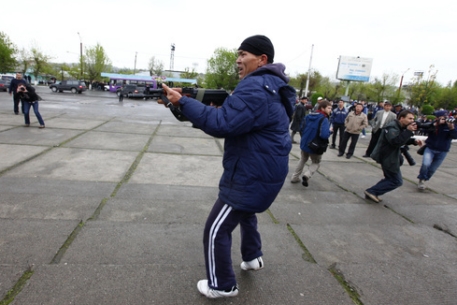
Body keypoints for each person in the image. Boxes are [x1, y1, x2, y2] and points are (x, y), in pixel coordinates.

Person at [160, 35, 295, 299]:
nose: (238, 60)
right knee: (246, 212)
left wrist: (182, 102)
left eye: (244, 54)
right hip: (266, 172)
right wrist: (184, 107)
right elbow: (234, 121)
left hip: (249, 174)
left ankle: (222, 285)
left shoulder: (255, 88)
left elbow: (221, 124)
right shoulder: (271, 86)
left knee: (215, 230)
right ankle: (253, 257)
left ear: (262, 59)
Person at [364, 110, 423, 203]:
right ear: (402, 118)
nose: (412, 121)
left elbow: (401, 139)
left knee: (390, 178)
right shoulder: (392, 127)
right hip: (388, 157)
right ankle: (372, 191)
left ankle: (373, 191)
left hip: (391, 156)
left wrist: (413, 141)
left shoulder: (400, 127)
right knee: (396, 181)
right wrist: (408, 131)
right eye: (410, 118)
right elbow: (395, 141)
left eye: (413, 119)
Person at [290, 100, 332, 186]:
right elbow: (324, 135)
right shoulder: (324, 119)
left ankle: (294, 177)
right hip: (315, 146)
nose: (330, 110)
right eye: (329, 108)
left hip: (305, 143)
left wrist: (305, 138)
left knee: (302, 159)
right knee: (316, 162)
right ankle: (307, 175)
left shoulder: (308, 116)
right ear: (322, 108)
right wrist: (330, 131)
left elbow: (301, 128)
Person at [417, 110, 457, 190]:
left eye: (444, 117)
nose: (443, 119)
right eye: (440, 117)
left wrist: (451, 128)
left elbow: (455, 136)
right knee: (426, 164)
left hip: (443, 150)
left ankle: (425, 178)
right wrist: (435, 125)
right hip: (430, 148)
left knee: (432, 169)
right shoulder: (433, 124)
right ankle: (421, 179)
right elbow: (424, 129)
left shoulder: (450, 125)